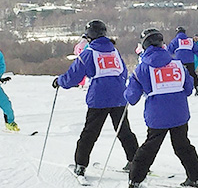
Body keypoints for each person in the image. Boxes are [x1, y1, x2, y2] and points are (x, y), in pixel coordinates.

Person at [125, 28, 198, 188]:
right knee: (183, 145)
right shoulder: (177, 64)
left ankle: (134, 180)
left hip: (157, 117)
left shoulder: (142, 69)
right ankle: (196, 177)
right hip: (180, 114)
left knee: (149, 148)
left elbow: (132, 98)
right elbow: (189, 89)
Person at [52, 20, 139, 177]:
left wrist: (59, 81)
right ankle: (136, 162)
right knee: (124, 131)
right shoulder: (114, 51)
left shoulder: (89, 53)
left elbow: (74, 76)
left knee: (90, 133)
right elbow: (124, 72)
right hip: (119, 97)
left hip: (99, 99)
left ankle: (81, 165)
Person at [167, 26, 198, 96]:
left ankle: (178, 90)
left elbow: (169, 51)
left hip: (179, 61)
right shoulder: (190, 40)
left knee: (179, 75)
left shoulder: (176, 40)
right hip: (190, 61)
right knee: (193, 75)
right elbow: (196, 50)